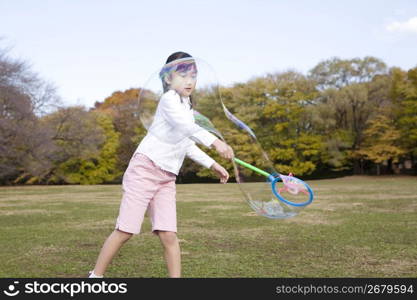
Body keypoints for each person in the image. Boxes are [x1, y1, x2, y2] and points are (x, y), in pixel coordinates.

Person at [88, 51, 234, 278]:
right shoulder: (169, 101)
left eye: (193, 76)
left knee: (169, 235)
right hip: (144, 169)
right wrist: (215, 142)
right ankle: (95, 277)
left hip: (167, 178)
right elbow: (187, 129)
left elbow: (185, 143)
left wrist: (212, 164)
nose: (189, 81)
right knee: (125, 230)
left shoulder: (186, 106)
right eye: (183, 75)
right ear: (168, 79)